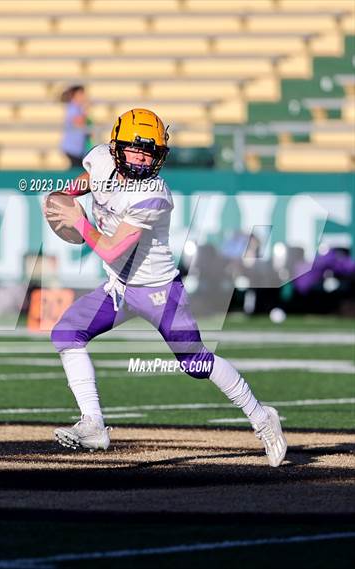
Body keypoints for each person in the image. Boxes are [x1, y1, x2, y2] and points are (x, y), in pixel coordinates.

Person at [45, 108, 287, 467]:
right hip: (119, 287)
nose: (143, 159)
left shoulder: (153, 195)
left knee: (196, 362)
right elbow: (91, 177)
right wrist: (65, 195)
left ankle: (262, 417)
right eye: (136, 150)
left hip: (158, 291)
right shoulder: (101, 159)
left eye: (150, 153)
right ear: (116, 148)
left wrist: (79, 222)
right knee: (66, 333)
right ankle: (93, 424)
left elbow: (110, 249)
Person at [60, 85, 89, 168]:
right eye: (81, 94)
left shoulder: (78, 108)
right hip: (73, 148)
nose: (83, 97)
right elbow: (79, 122)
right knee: (76, 169)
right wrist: (86, 110)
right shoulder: (73, 107)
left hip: (78, 147)